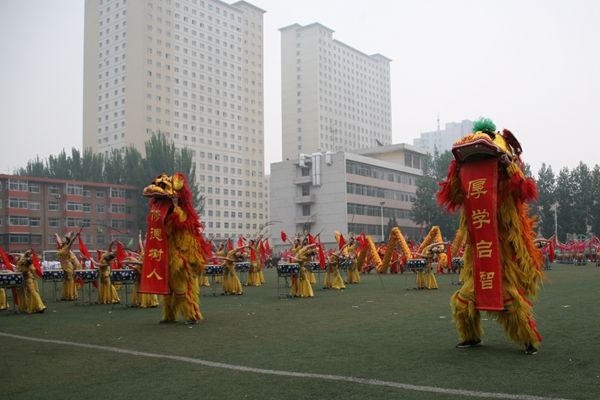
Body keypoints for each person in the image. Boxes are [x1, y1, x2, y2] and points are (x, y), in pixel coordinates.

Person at [438, 118, 543, 355]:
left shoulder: (509, 174)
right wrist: (457, 170)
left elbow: (524, 190)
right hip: (480, 254)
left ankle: (529, 340)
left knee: (510, 300)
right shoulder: (470, 182)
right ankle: (471, 337)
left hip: (502, 253)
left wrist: (508, 165)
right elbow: (453, 196)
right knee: (463, 300)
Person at [56, 232, 83, 301]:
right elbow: (59, 241)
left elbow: (72, 242)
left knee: (70, 280)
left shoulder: (67, 248)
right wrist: (56, 235)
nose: (62, 240)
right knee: (65, 281)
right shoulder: (61, 248)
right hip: (64, 266)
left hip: (68, 266)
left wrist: (75, 236)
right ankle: (65, 296)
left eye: (64, 240)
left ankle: (72, 295)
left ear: (67, 242)